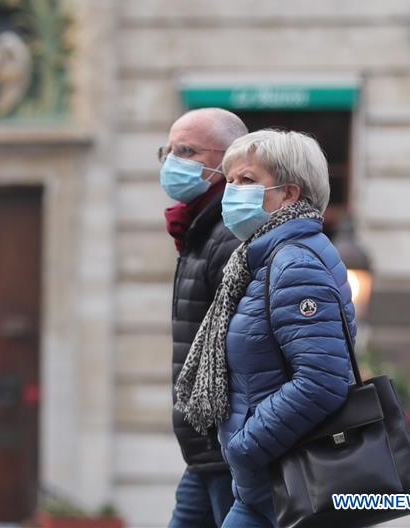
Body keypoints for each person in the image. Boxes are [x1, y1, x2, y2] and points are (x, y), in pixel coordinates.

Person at [174, 129, 358, 527]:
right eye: (231, 180)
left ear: (290, 194)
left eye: (247, 180)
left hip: (290, 487)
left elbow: (323, 380)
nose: (232, 192)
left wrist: (245, 446)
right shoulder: (257, 261)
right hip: (264, 488)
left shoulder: (295, 264)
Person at [159, 108, 247, 527]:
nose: (171, 161)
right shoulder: (198, 229)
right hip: (204, 452)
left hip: (225, 449)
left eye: (186, 150)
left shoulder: (226, 234)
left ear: (226, 161)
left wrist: (238, 439)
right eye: (169, 150)